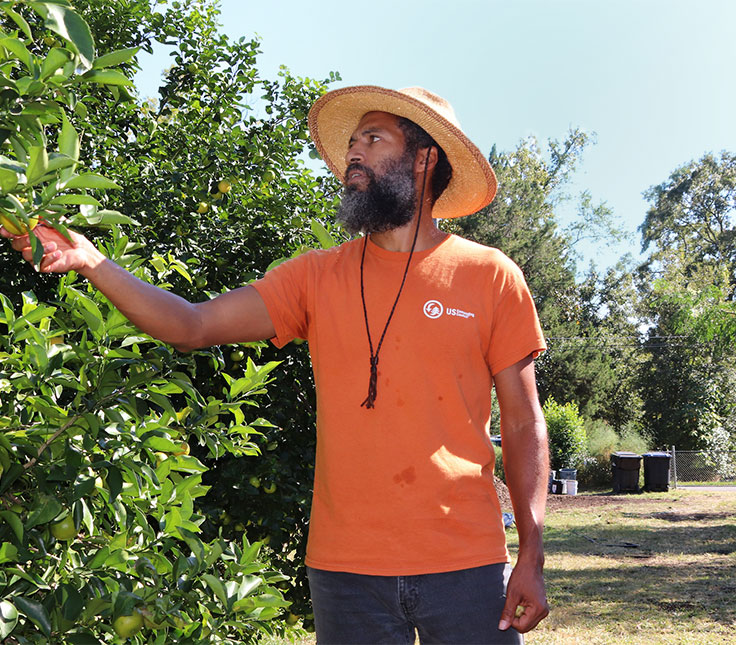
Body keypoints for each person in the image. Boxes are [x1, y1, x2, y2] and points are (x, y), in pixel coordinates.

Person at [2, 85, 550, 644]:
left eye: (374, 138)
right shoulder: (314, 276)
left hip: (465, 563)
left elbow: (524, 421)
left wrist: (531, 551)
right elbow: (192, 325)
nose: (354, 153)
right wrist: (92, 260)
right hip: (346, 570)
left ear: (424, 158)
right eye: (352, 141)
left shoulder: (490, 275)